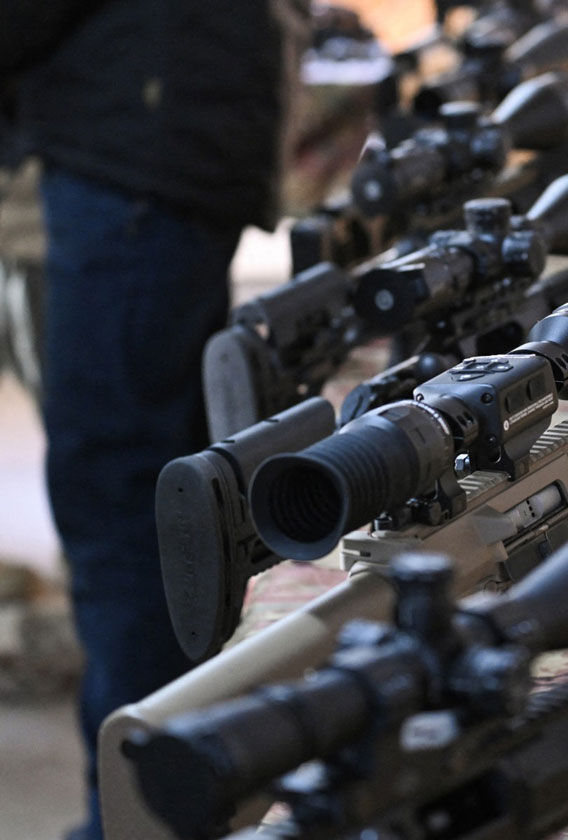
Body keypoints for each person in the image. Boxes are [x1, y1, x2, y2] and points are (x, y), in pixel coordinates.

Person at [1, 2, 306, 836]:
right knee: (162, 500)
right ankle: (169, 794)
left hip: (139, 140)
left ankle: (140, 815)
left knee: (123, 501)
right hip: (158, 128)